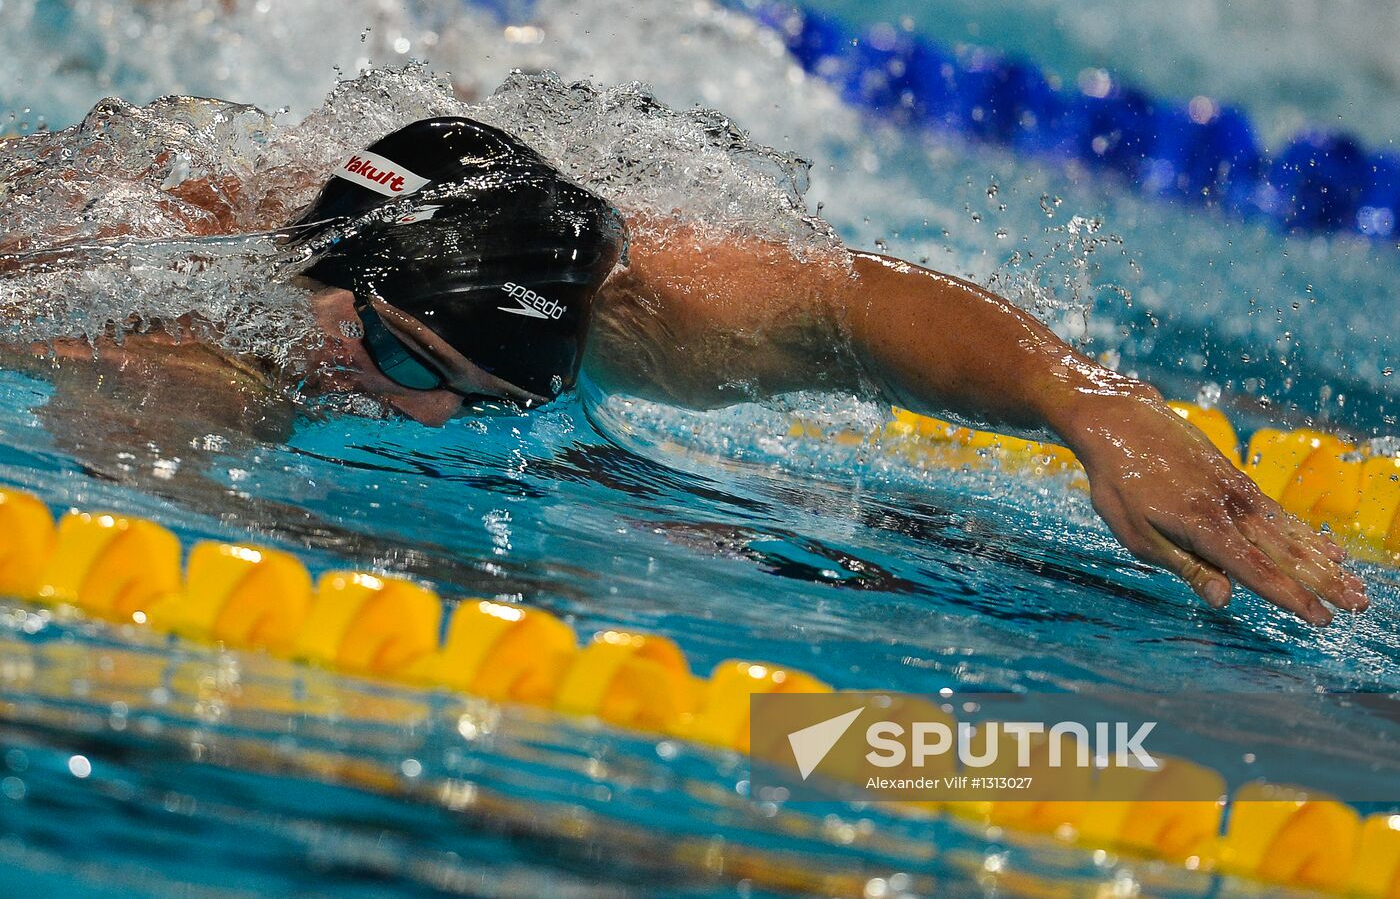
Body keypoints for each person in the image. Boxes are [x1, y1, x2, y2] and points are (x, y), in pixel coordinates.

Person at [211, 115, 1358, 628]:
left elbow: (841, 305)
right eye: (407, 352)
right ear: (330, 275)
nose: (425, 409)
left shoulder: (633, 298)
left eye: (487, 398)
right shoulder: (172, 298)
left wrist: (1093, 404)